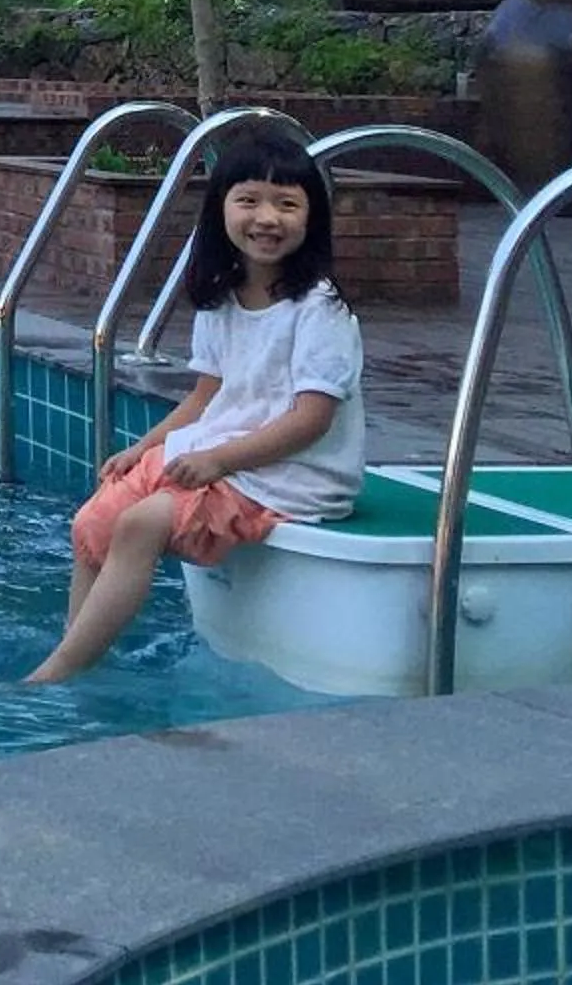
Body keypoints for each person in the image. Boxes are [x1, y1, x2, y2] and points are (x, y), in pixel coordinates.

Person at [26, 129, 364, 684]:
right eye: (249, 200)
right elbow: (207, 397)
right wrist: (145, 447)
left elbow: (311, 419)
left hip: (291, 474)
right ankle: (79, 649)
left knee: (141, 522)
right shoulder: (221, 297)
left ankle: (58, 671)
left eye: (287, 204)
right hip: (224, 453)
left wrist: (221, 462)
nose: (267, 218)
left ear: (312, 218)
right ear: (221, 210)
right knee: (96, 517)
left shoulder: (319, 309)